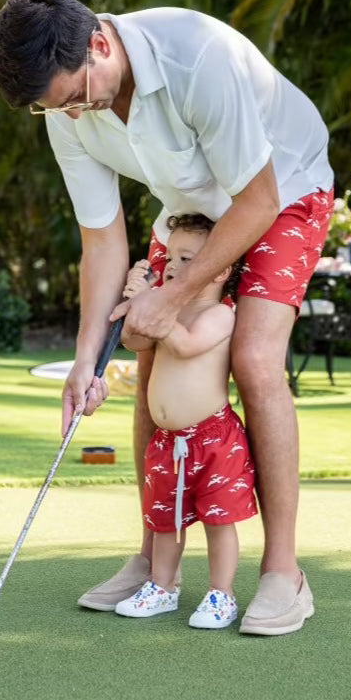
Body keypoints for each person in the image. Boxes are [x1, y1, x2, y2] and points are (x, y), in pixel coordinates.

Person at [0, 0, 334, 636]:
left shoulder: (195, 56)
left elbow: (256, 203)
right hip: (190, 206)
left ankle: (284, 573)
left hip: (283, 187)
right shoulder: (66, 109)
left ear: (98, 42)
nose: (70, 113)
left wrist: (171, 296)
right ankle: (156, 561)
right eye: (52, 108)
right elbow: (101, 240)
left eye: (72, 96)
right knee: (149, 366)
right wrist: (85, 362)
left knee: (256, 359)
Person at [115, 213, 256, 629]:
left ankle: (221, 594)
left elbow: (186, 345)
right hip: (167, 441)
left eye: (186, 257)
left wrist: (148, 303)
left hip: (213, 439)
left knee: (218, 520)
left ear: (219, 270)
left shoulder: (220, 315)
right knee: (164, 519)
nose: (171, 265)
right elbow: (133, 339)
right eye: (170, 255)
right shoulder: (165, 312)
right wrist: (140, 303)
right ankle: (162, 586)